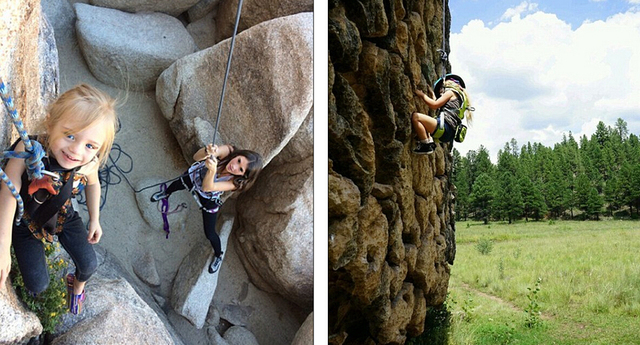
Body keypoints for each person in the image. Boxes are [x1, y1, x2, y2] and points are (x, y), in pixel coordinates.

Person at [0, 84, 118, 315]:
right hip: (26, 221)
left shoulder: (87, 163)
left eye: (90, 145)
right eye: (69, 135)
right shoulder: (28, 149)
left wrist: (95, 218)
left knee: (89, 264)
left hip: (63, 215)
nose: (75, 150)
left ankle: (77, 285)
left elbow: (93, 183)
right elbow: (8, 192)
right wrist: (3, 247)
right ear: (50, 122)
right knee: (37, 284)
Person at [150, 143, 262, 274]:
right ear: (238, 155)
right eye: (238, 160)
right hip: (194, 177)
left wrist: (212, 170)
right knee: (178, 183)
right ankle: (166, 193)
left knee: (209, 233)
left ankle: (218, 254)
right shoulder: (228, 151)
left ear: (243, 176)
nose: (234, 166)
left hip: (208, 196)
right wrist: (207, 151)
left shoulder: (235, 183)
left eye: (241, 169)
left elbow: (208, 188)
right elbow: (196, 157)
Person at [411, 74, 473, 154]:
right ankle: (429, 141)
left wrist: (422, 95)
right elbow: (440, 104)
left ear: (447, 85)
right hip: (449, 133)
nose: (440, 91)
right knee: (425, 125)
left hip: (444, 126)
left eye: (441, 88)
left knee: (416, 117)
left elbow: (434, 105)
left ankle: (426, 144)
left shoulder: (450, 92)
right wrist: (432, 94)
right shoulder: (459, 97)